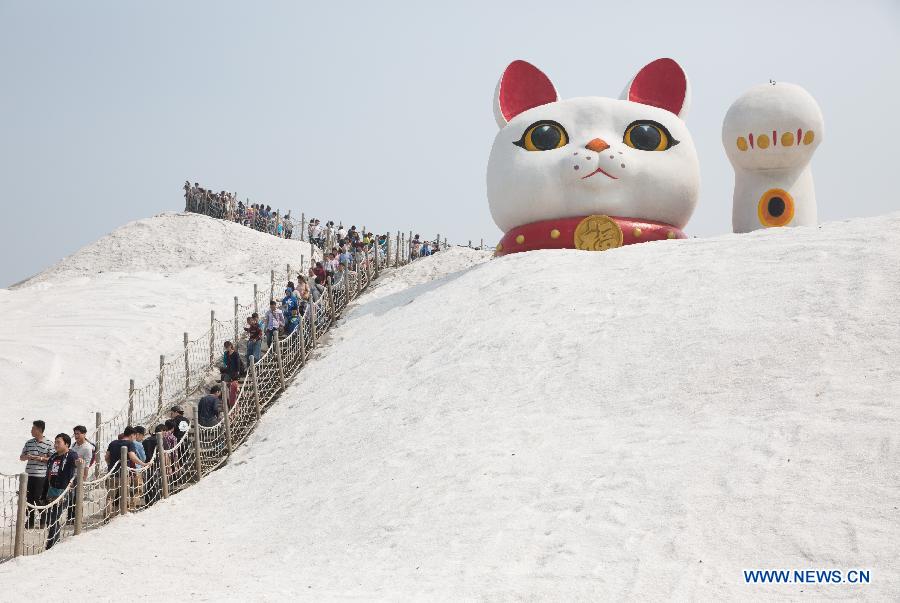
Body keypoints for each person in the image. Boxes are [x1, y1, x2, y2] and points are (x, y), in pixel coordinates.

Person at [44, 433, 81, 549]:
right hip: (52, 491)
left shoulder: (71, 455)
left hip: (64, 491)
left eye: (58, 442)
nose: (56, 444)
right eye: (55, 442)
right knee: (50, 517)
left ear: (67, 444)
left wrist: (79, 462)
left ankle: (51, 544)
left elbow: (76, 462)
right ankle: (55, 540)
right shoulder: (54, 457)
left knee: (54, 516)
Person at [20, 420, 53, 529]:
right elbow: (21, 457)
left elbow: (52, 459)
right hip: (29, 475)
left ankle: (43, 519)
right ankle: (30, 521)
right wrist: (27, 457)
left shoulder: (49, 443)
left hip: (41, 475)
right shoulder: (29, 443)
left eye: (33, 428)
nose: (31, 430)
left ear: (39, 430)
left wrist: (40, 458)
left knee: (38, 498)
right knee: (28, 498)